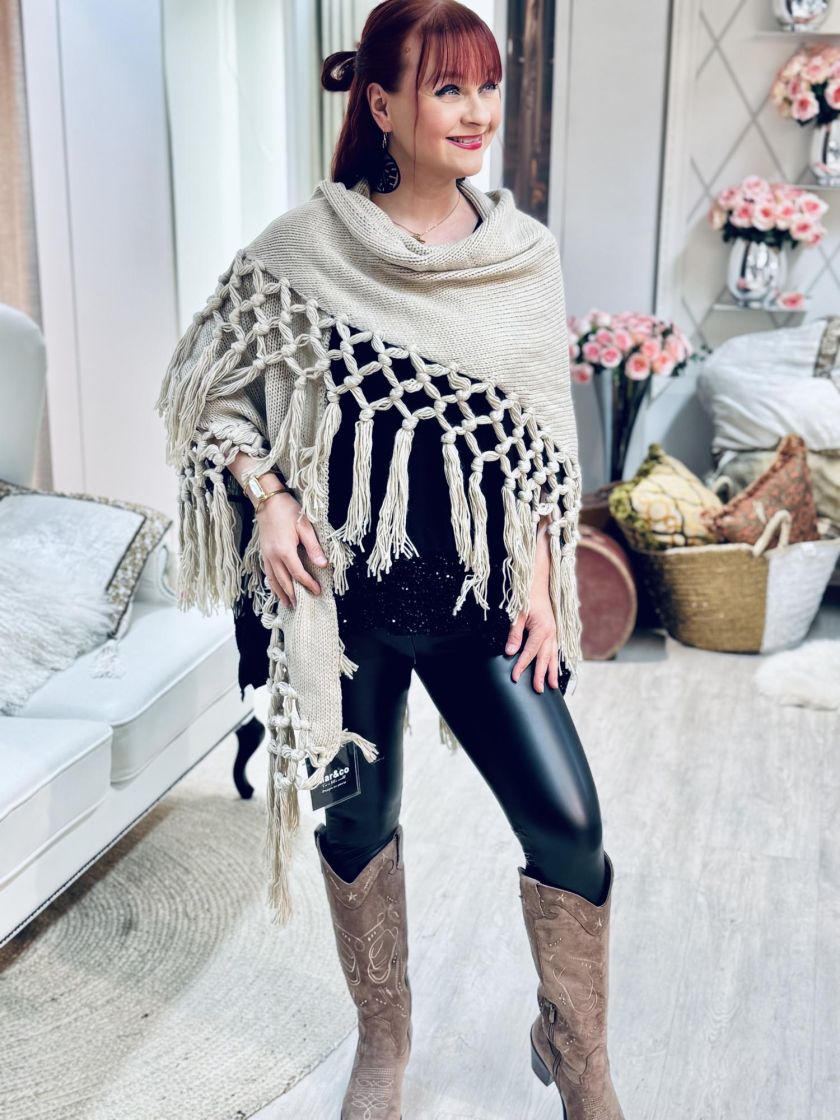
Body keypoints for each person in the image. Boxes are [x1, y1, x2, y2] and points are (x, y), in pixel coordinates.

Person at [155, 3, 625, 1118]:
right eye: (446, 88)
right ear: (380, 105)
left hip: (480, 603)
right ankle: (385, 1037)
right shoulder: (302, 251)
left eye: (484, 86)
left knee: (570, 826)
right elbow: (208, 392)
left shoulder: (521, 259)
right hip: (336, 608)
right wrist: (268, 496)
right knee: (355, 824)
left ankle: (578, 1052)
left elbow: (541, 447)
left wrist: (544, 583)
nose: (475, 111)